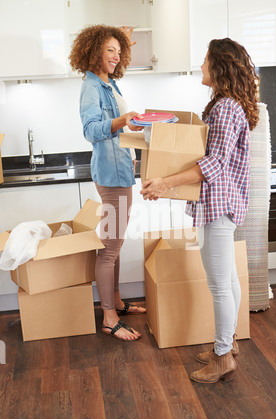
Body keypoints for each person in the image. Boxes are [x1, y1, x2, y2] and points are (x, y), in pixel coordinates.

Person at [141, 38, 259, 382]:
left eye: (206, 60)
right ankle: (229, 343)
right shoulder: (227, 105)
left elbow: (213, 163)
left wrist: (165, 182)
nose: (201, 66)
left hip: (219, 205)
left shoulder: (225, 108)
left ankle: (223, 357)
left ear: (219, 66)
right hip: (221, 203)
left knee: (219, 284)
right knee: (227, 280)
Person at [69, 25, 146, 341]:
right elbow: (91, 131)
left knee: (115, 244)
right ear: (93, 52)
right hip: (111, 176)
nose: (115, 56)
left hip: (120, 172)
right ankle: (109, 317)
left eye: (119, 50)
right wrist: (121, 121)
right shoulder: (91, 87)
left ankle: (115, 300)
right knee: (109, 248)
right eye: (109, 50)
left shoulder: (108, 83)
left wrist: (133, 130)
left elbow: (116, 130)